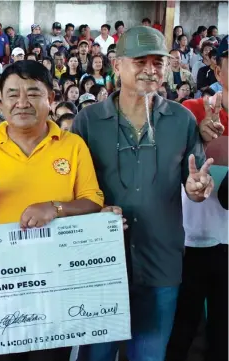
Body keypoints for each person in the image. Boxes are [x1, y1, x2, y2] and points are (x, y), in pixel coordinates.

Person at [73, 26, 212, 361]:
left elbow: (192, 182)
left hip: (160, 263)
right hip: (101, 264)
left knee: (149, 356)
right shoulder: (88, 121)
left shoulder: (181, 120)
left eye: (158, 62)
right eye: (140, 61)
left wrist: (196, 190)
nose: (151, 69)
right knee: (97, 356)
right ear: (117, 64)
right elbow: (73, 189)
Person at [0, 60, 104, 361]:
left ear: (51, 98)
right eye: (13, 94)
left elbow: (92, 201)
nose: (22, 102)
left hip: (55, 280)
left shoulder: (72, 145)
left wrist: (55, 208)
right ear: (1, 101)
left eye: (33, 93)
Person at [165, 37, 228, 361]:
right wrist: (198, 137)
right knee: (184, 325)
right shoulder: (192, 109)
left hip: (227, 244)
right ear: (217, 68)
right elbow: (172, 161)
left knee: (223, 328)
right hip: (192, 239)